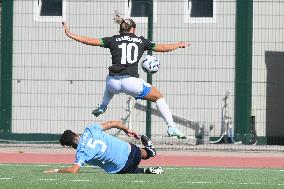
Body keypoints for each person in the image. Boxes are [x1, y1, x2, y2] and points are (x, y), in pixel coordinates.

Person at [62, 11, 190, 139]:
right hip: (131, 83)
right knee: (159, 97)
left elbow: (89, 41)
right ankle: (171, 127)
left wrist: (70, 34)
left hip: (113, 83)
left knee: (111, 81)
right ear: (133, 29)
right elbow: (162, 47)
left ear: (121, 29)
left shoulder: (113, 40)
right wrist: (178, 45)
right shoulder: (140, 41)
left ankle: (103, 105)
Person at [44, 120, 163, 174]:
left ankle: (145, 170)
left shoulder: (81, 153)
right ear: (75, 133)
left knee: (118, 168)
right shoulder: (90, 129)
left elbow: (74, 170)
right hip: (131, 152)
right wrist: (127, 130)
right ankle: (150, 152)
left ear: (70, 146)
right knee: (137, 152)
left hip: (122, 169)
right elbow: (114, 123)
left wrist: (56, 170)